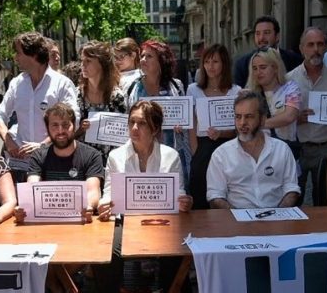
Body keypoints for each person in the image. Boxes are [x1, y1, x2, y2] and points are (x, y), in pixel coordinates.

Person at [96, 100, 193, 293]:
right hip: (127, 221)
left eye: (142, 123)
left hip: (160, 221)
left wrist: (183, 201)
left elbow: (178, 192)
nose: (135, 128)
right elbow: (108, 192)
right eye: (132, 122)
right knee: (107, 250)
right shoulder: (116, 156)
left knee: (176, 250)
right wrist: (104, 204)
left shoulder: (170, 156)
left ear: (156, 129)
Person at [0, 32, 79, 182]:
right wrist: (8, 141)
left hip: (54, 162)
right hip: (20, 165)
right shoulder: (16, 83)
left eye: (18, 53)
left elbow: (73, 121)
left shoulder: (61, 84)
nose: (15, 58)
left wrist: (42, 145)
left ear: (33, 55)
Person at [207, 90, 300, 209]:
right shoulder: (221, 154)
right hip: (236, 221)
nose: (242, 123)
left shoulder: (282, 150)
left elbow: (291, 189)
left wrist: (277, 215)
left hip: (276, 219)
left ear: (262, 119)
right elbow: (215, 196)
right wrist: (238, 217)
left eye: (249, 117)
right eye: (238, 117)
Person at [15, 103, 103, 223]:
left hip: (80, 220)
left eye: (66, 125)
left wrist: (87, 206)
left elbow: (93, 191)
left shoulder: (92, 155)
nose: (60, 131)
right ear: (47, 129)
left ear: (75, 126)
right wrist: (25, 208)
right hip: (47, 221)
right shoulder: (38, 156)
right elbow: (32, 188)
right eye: (54, 125)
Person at [287, 27, 327, 201]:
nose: (315, 49)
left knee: (325, 198)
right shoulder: (289, 80)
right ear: (301, 48)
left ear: (325, 47)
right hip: (299, 149)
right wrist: (295, 119)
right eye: (310, 45)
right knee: (294, 198)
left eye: (320, 44)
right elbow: (281, 117)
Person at [126, 40, 191, 187]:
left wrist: (182, 125)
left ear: (161, 60)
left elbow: (185, 116)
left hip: (171, 151)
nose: (143, 60)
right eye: (142, 56)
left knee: (174, 195)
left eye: (149, 56)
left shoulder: (176, 86)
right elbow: (128, 117)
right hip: (142, 152)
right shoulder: (132, 88)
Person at [186, 44, 241, 209]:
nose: (210, 66)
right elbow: (192, 124)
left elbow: (239, 126)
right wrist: (195, 150)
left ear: (224, 64)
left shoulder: (236, 91)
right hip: (203, 148)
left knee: (226, 193)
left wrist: (222, 133)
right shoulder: (193, 90)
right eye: (207, 61)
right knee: (200, 192)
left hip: (229, 147)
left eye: (215, 61)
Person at [76, 41, 127, 162]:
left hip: (111, 161)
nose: (82, 65)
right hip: (83, 161)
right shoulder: (76, 94)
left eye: (88, 61)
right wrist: (80, 129)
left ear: (102, 64)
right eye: (82, 60)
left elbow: (123, 133)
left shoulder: (116, 97)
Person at [245, 47, 301, 157]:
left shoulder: (290, 88)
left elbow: (289, 117)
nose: (258, 72)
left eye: (263, 67)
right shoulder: (249, 94)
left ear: (275, 67)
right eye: (255, 68)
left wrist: (257, 124)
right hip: (258, 153)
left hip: (286, 152)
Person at [233, 16, 302, 88]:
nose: (261, 38)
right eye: (258, 33)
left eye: (266, 33)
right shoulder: (242, 64)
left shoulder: (295, 60)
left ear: (277, 36)